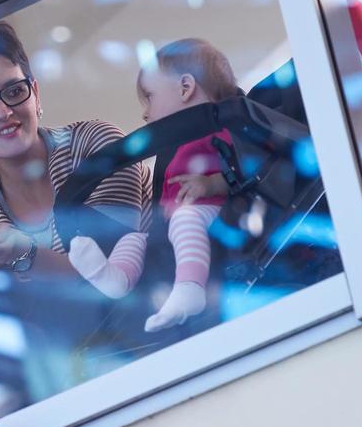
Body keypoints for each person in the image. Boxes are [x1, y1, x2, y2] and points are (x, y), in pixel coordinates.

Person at [0, 21, 152, 294]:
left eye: (14, 91)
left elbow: (107, 280)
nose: (3, 113)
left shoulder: (95, 144)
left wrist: (27, 254)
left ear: (35, 94)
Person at [67, 38, 240, 332]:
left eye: (149, 96)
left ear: (186, 88)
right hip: (174, 222)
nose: (145, 112)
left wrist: (212, 183)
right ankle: (113, 277)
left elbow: (244, 171)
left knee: (185, 219)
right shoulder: (174, 147)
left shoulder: (222, 128)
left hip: (210, 212)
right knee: (134, 238)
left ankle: (190, 288)